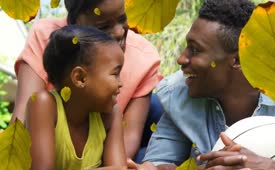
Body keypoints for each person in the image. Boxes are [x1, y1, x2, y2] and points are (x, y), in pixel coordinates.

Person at [129, 0, 275, 170]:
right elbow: (156, 164)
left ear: (238, 60)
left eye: (195, 50)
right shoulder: (178, 92)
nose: (181, 58)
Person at [12, 0, 163, 161]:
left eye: (123, 18)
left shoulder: (144, 57)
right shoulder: (46, 37)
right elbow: (22, 118)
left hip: (107, 148)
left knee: (147, 156)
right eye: (103, 26)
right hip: (54, 149)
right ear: (74, 23)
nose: (119, 32)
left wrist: (111, 168)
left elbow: (129, 139)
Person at [26, 25, 165, 170]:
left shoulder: (111, 115)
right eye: (115, 74)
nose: (121, 83)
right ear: (80, 78)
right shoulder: (43, 105)